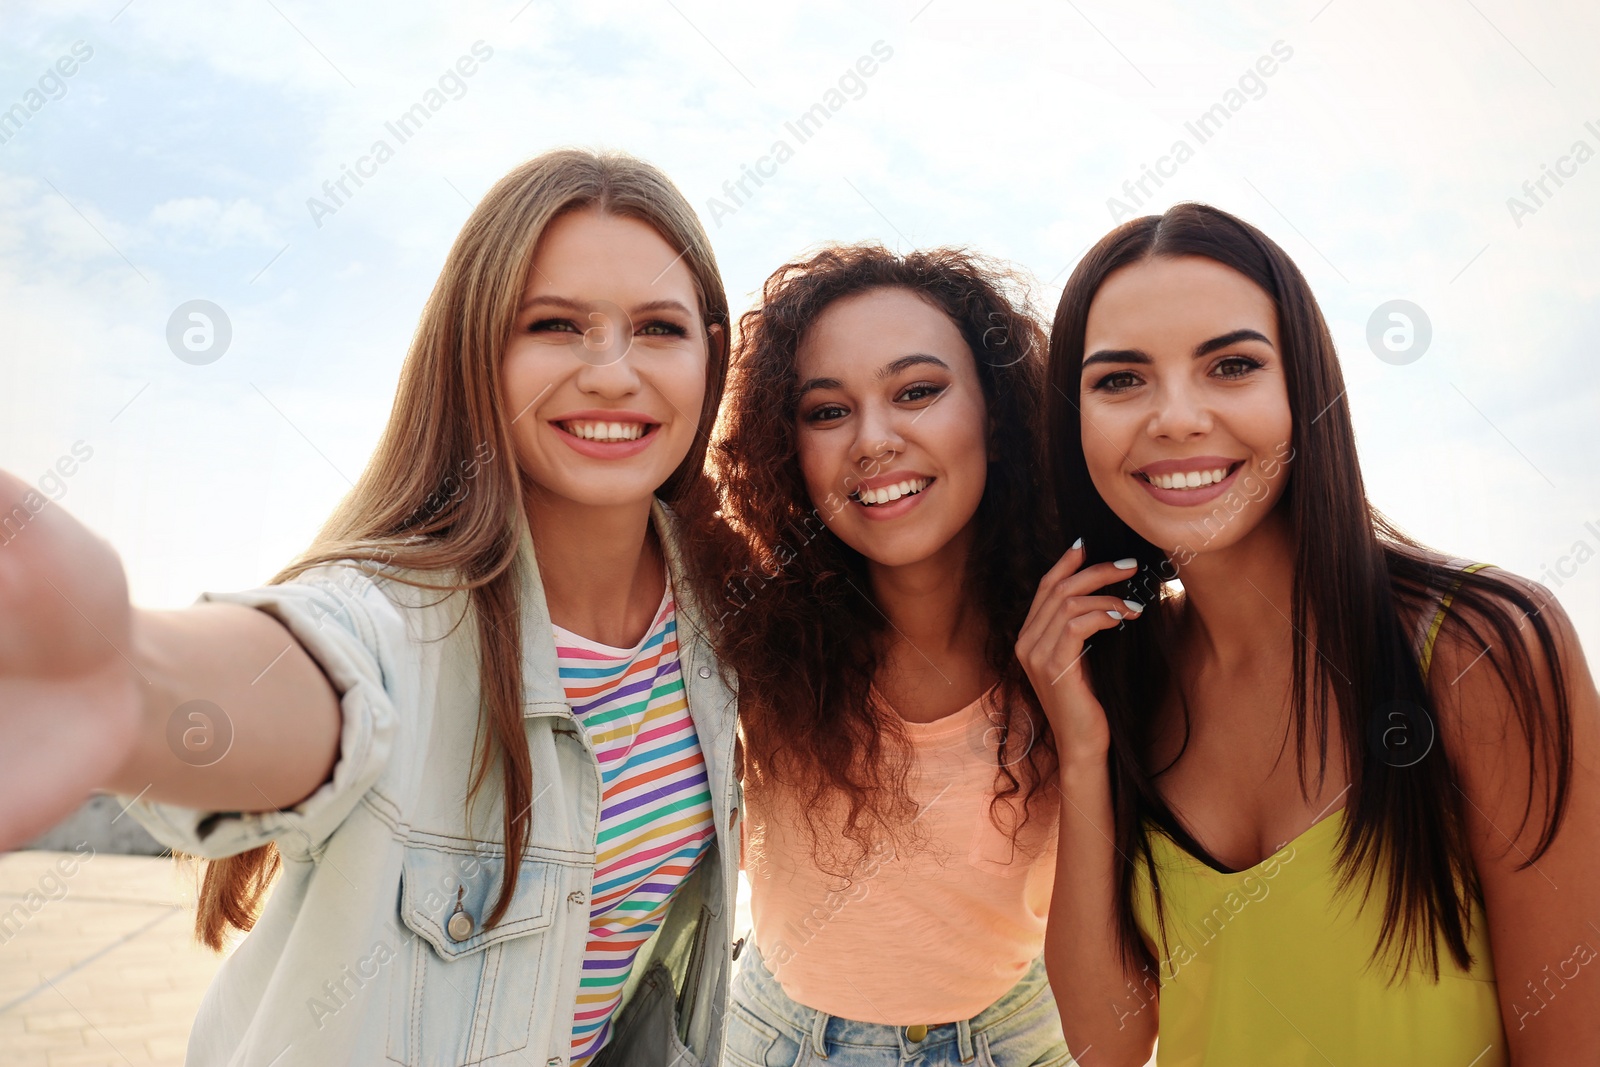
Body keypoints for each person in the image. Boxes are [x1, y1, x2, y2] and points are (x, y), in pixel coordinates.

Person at [0, 148, 743, 1067]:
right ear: (477, 351)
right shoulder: (402, 610)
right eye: (556, 325)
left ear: (713, 353)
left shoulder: (722, 617)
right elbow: (321, 667)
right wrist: (127, 678)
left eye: (659, 328)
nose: (612, 372)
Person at [1020, 202, 1600, 1065]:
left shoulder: (1485, 646)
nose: (1175, 417)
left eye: (1231, 365)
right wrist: (1078, 748)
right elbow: (1109, 1041)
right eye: (1120, 380)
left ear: (1304, 389)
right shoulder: (1123, 679)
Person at [703, 244, 1074, 1065]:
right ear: (785, 444)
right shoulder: (756, 620)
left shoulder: (1082, 629)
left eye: (918, 391)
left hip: (1021, 1038)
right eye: (827, 411)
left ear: (997, 410)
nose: (874, 439)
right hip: (779, 1041)